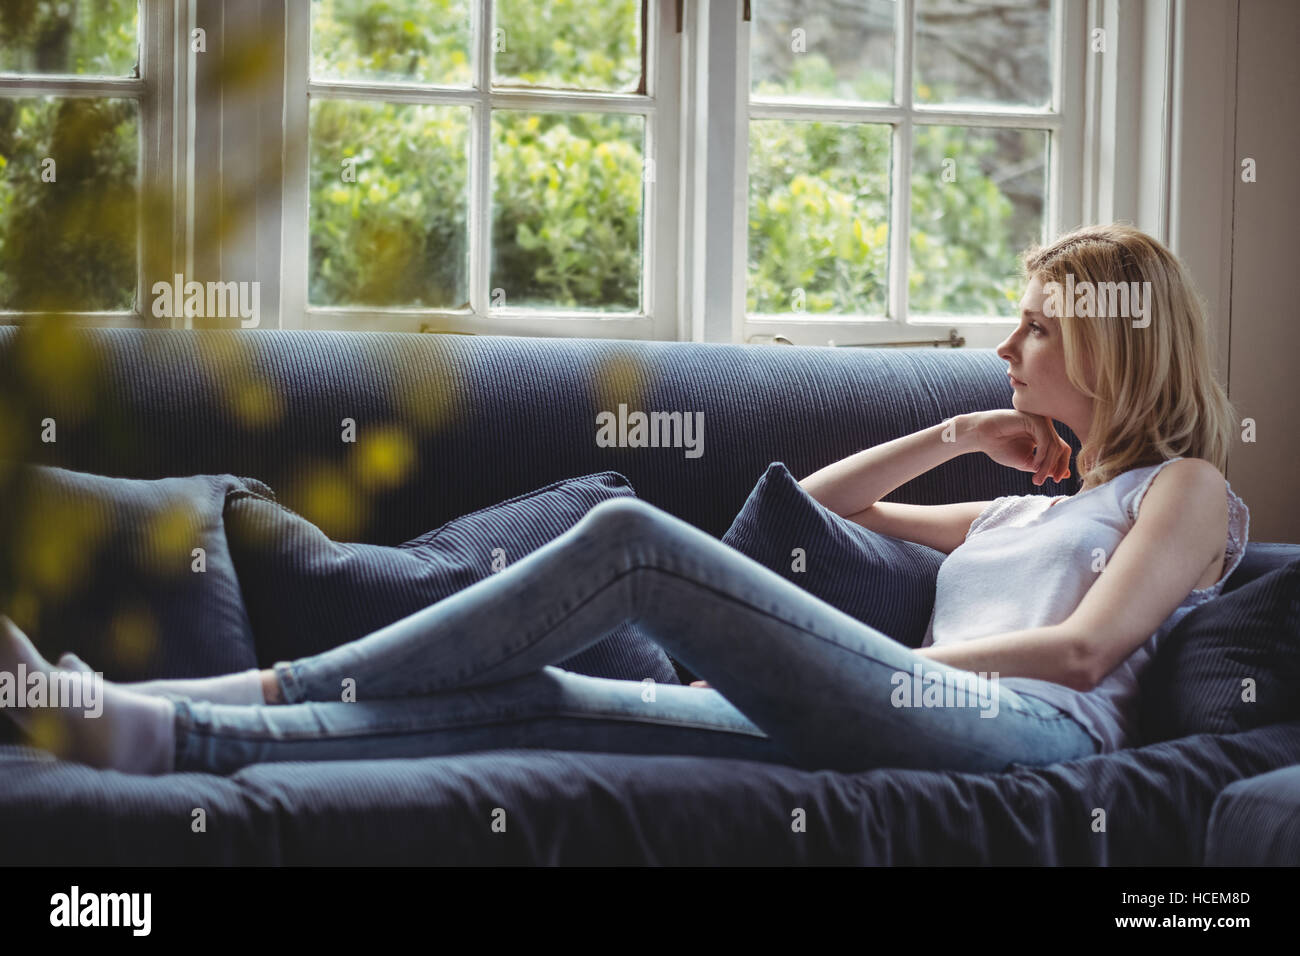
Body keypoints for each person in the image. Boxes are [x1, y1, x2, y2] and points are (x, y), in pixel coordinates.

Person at [0, 223, 1247, 777]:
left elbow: (1086, 654)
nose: (1008, 341)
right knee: (540, 695)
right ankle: (156, 727)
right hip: (906, 705)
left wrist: (887, 663)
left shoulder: (1184, 487)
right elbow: (816, 514)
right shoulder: (1023, 505)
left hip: (1019, 732)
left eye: (1036, 324)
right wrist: (956, 430)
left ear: (1110, 340)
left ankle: (196, 699)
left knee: (636, 546)